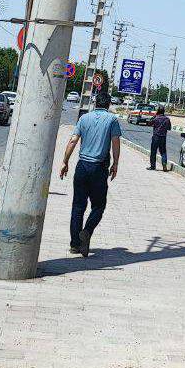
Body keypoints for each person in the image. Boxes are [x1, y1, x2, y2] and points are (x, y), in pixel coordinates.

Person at [59, 91, 121, 257]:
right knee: (98, 206)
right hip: (99, 169)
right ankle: (86, 231)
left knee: (78, 206)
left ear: (95, 103)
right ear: (108, 105)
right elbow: (115, 143)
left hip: (82, 167)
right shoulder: (112, 120)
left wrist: (65, 161)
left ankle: (74, 245)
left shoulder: (84, 119)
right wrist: (115, 163)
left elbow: (73, 140)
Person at [148, 106, 171, 171]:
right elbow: (169, 128)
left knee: (153, 151)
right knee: (163, 152)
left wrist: (155, 115)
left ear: (158, 111)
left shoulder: (156, 118)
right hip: (163, 137)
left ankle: (153, 166)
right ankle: (164, 165)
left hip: (156, 137)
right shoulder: (167, 119)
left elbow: (149, 123)